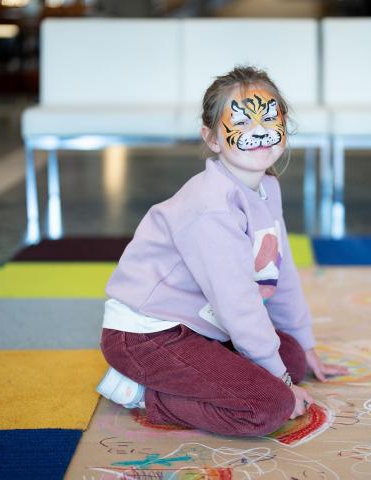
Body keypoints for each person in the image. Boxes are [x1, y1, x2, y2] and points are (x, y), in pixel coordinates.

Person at [95, 66, 347, 437]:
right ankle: (142, 392)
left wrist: (305, 342)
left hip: (197, 323)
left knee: (291, 355)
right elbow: (237, 302)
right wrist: (280, 383)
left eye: (270, 118)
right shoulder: (212, 208)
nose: (259, 132)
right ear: (212, 139)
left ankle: (234, 372)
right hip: (148, 337)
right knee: (269, 405)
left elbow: (282, 270)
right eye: (241, 123)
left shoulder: (266, 187)